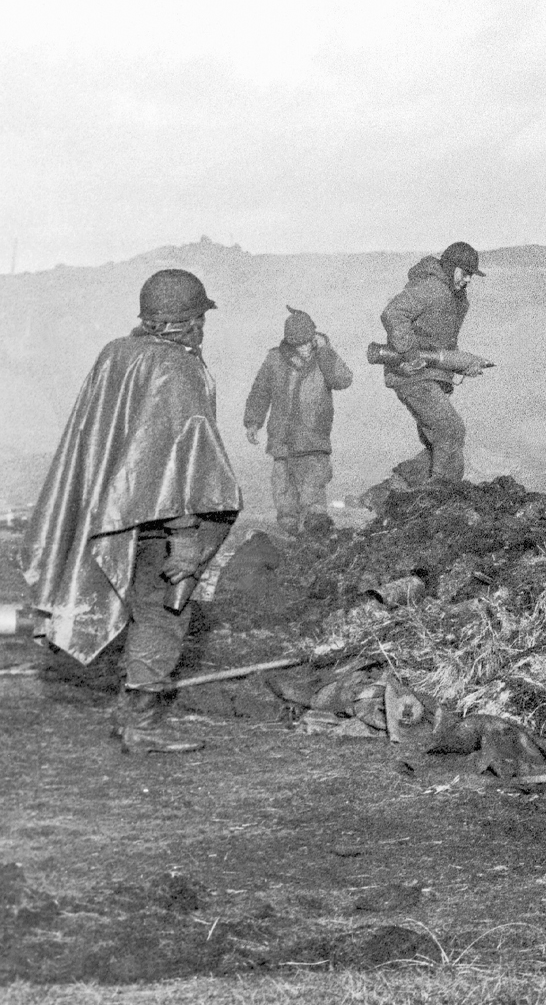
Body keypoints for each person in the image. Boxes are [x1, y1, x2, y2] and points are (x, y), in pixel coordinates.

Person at [21, 269, 243, 753]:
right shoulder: (177, 368)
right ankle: (142, 726)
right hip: (162, 523)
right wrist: (186, 542)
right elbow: (182, 458)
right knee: (163, 614)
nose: (203, 327)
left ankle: (127, 717)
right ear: (186, 323)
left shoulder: (116, 354)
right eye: (200, 318)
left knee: (140, 611)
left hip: (112, 513)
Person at [362, 242, 487, 511]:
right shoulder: (432, 288)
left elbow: (440, 345)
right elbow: (393, 312)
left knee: (438, 444)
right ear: (450, 267)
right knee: (450, 430)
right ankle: (440, 499)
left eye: (470, 275)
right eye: (464, 272)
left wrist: (461, 366)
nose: (467, 279)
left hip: (429, 375)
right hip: (412, 375)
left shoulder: (454, 297)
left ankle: (388, 493)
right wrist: (408, 353)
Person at [243, 307, 353, 534]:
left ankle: (316, 545)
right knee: (285, 508)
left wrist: (325, 351)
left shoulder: (323, 357)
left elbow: (343, 380)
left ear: (314, 338)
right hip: (281, 444)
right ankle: (296, 551)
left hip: (313, 443)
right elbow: (260, 391)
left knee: (314, 506)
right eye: (297, 343)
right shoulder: (274, 359)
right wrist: (253, 422)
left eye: (306, 342)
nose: (303, 347)